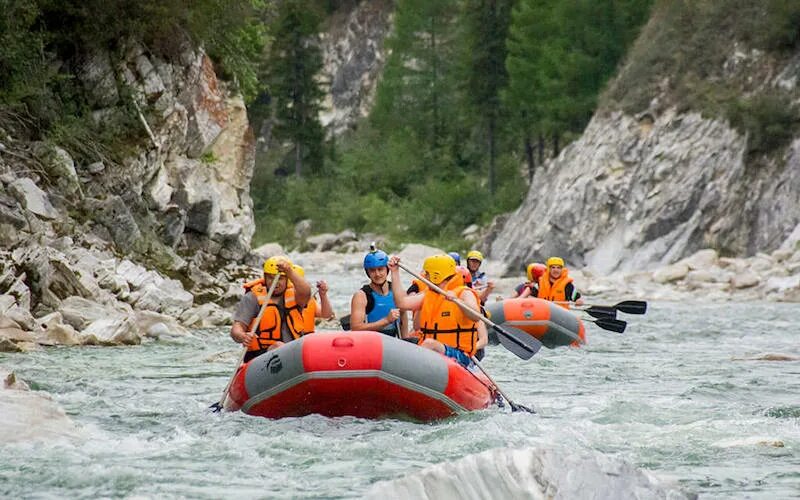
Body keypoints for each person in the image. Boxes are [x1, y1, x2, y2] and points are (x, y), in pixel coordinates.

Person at [388, 254, 488, 368]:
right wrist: (394, 273)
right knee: (412, 344)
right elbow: (401, 303)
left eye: (427, 273)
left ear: (437, 275)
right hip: (433, 350)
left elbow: (475, 316)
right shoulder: (428, 295)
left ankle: (410, 370)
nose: (424, 276)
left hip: (459, 354)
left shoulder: (464, 293)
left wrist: (456, 300)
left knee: (429, 344)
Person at [230, 256, 312, 362]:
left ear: (287, 279)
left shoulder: (295, 295)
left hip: (293, 352)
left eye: (280, 278)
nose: (275, 282)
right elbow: (236, 328)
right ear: (265, 277)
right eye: (270, 277)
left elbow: (306, 293)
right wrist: (242, 336)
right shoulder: (252, 297)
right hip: (259, 355)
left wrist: (289, 271)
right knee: (278, 346)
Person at [350, 250, 408, 338]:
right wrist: (386, 320)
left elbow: (403, 318)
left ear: (387, 269)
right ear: (368, 273)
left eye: (380, 269)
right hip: (372, 342)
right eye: (372, 270)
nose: (377, 274)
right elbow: (356, 328)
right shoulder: (361, 296)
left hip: (394, 342)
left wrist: (406, 342)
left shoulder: (397, 291)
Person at [292, 264, 334, 334]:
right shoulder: (278, 299)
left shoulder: (309, 300)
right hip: (287, 340)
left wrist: (323, 295)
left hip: (306, 339)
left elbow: (327, 315)